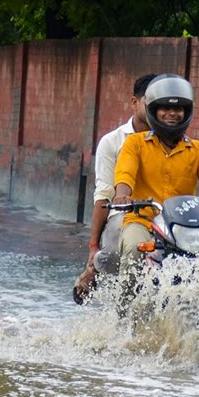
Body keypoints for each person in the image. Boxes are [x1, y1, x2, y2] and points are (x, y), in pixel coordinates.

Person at [112, 73, 199, 312]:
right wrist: (122, 195)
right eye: (164, 108)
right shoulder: (134, 144)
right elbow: (124, 175)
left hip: (183, 229)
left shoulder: (198, 149)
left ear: (186, 112)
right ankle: (125, 317)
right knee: (135, 252)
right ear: (154, 110)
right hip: (143, 221)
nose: (171, 113)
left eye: (177, 109)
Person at [73, 73, 157, 304]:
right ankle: (98, 269)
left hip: (161, 215)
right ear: (134, 103)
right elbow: (104, 194)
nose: (157, 110)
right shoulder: (113, 142)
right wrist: (92, 247)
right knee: (122, 239)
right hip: (124, 214)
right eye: (151, 103)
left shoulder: (174, 141)